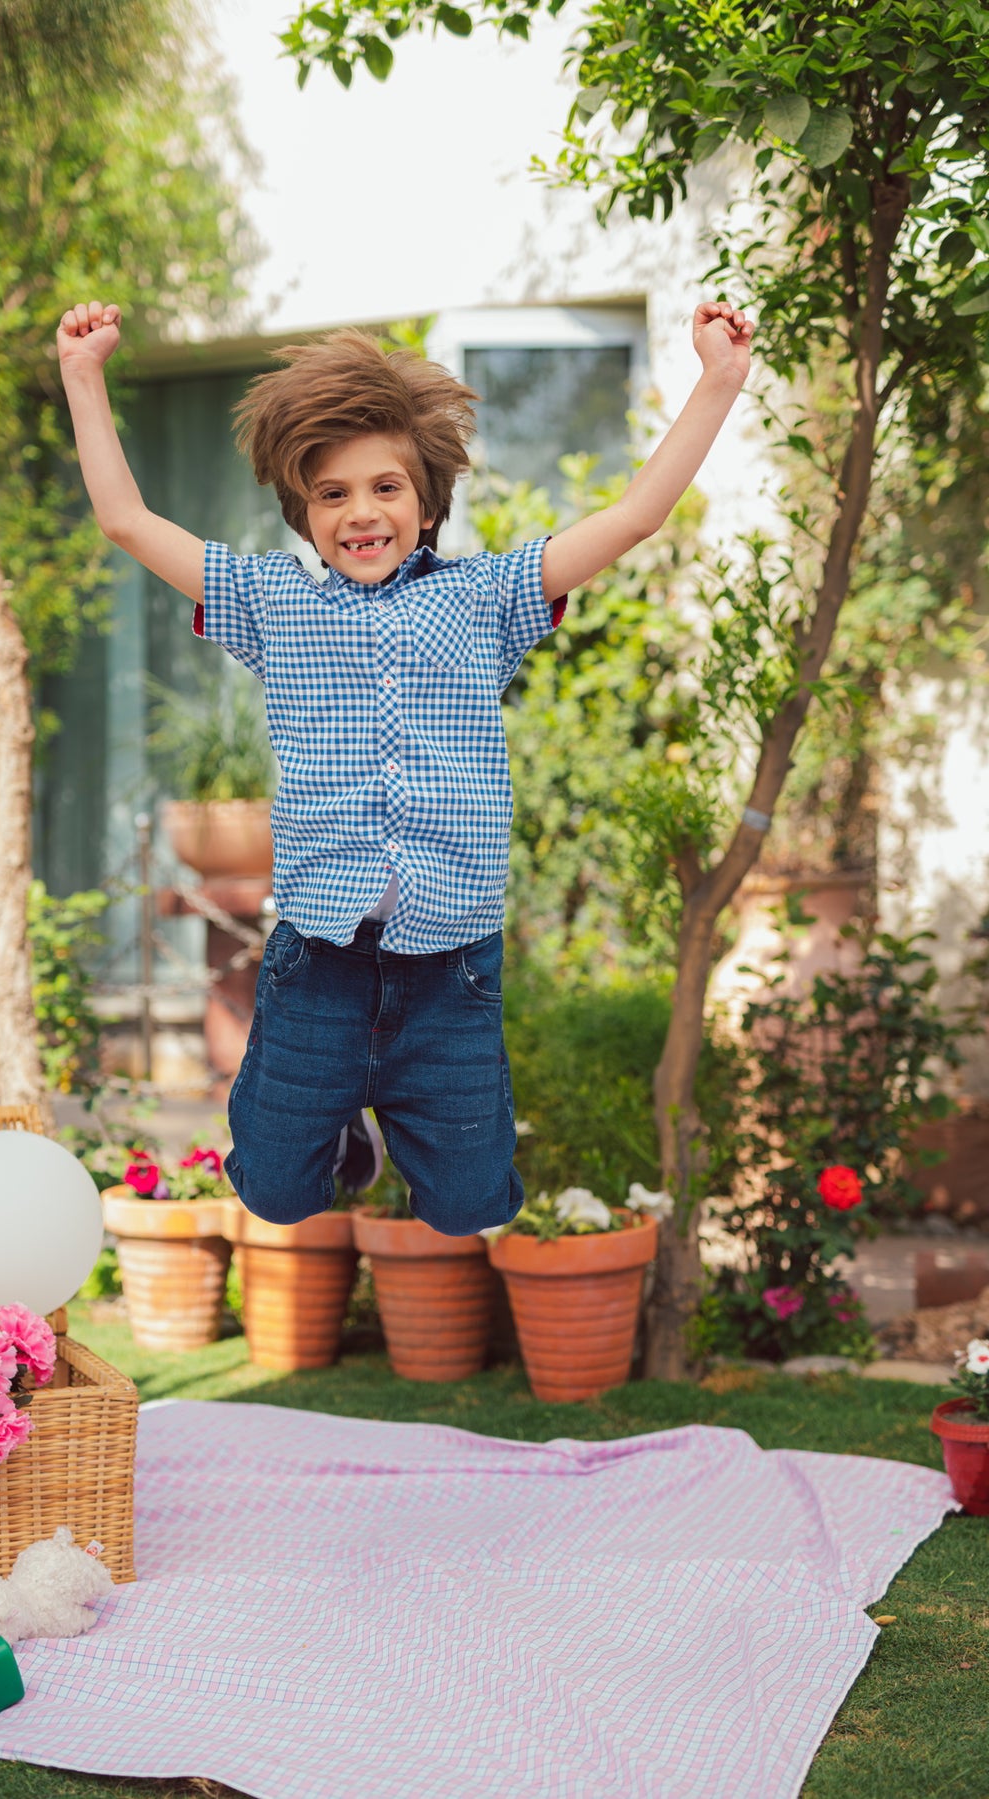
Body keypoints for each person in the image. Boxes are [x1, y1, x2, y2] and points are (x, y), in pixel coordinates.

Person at [57, 301, 754, 1235]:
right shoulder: (272, 603)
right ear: (304, 514)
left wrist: (717, 380)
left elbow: (632, 518)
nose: (361, 512)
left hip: (449, 966)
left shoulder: (488, 599)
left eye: (384, 487)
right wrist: (84, 376)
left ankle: (385, 1113)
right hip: (322, 961)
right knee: (272, 1189)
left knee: (472, 1207)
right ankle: (344, 1127)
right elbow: (128, 521)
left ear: (426, 503)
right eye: (332, 494)